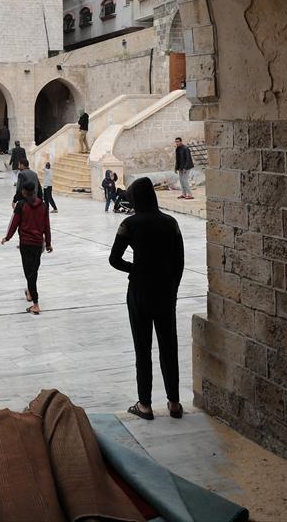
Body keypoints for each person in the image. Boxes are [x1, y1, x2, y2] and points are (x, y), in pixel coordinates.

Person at [108, 177, 185, 421]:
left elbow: (114, 259)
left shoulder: (129, 225)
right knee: (168, 347)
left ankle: (145, 405)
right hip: (165, 292)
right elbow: (179, 261)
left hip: (140, 291)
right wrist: (172, 287)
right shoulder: (170, 223)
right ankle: (174, 403)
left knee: (143, 348)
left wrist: (136, 268)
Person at [0, 183, 51, 315]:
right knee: (33, 271)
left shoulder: (21, 205)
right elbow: (47, 226)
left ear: (23, 192)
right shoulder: (43, 205)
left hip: (26, 244)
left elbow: (14, 223)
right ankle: (30, 292)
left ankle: (35, 303)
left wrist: (7, 237)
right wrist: (49, 243)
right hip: (38, 243)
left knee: (29, 272)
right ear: (34, 191)